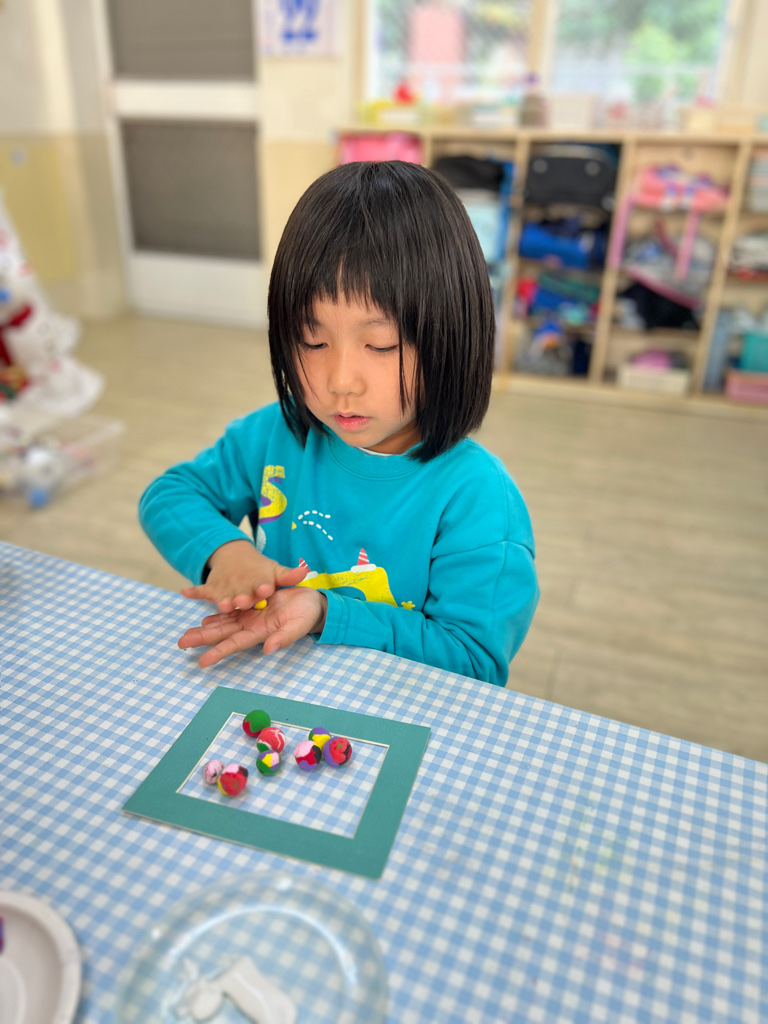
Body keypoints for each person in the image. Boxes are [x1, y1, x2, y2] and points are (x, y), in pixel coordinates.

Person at [139, 161, 538, 686]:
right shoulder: (277, 434)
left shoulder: (477, 497)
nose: (340, 381)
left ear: (450, 337)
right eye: (313, 340)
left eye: (380, 344)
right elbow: (170, 494)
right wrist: (227, 552)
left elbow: (473, 660)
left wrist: (327, 612)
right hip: (276, 696)